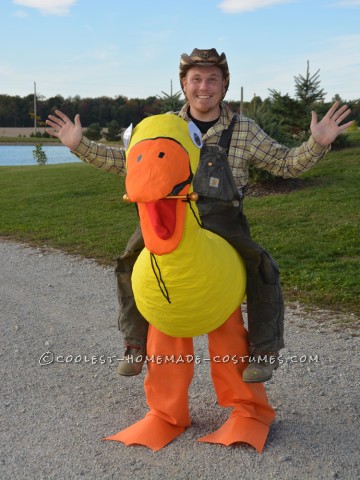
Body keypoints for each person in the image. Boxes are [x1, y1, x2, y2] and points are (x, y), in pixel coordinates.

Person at [46, 48, 353, 383]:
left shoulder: (243, 128)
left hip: (223, 220)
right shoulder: (166, 127)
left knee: (262, 266)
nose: (203, 87)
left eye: (212, 79)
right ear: (184, 84)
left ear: (224, 85)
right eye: (196, 79)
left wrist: (317, 143)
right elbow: (127, 162)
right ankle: (135, 344)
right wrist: (80, 145)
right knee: (129, 260)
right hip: (171, 217)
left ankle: (264, 350)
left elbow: (286, 164)